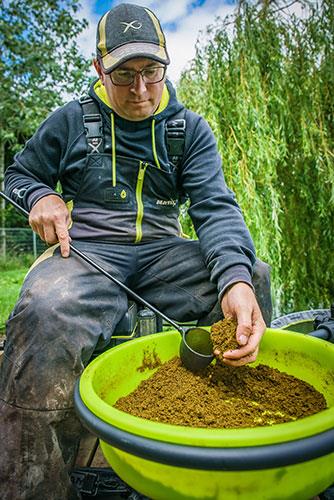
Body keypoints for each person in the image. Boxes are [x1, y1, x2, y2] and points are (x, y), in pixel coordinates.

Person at [0, 3, 272, 498]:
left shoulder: (188, 130)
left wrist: (234, 279)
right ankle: (35, 481)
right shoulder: (69, 121)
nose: (141, 90)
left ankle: (227, 435)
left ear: (166, 62)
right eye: (124, 75)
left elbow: (215, 207)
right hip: (88, 254)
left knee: (252, 274)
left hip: (165, 253)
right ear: (99, 68)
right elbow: (18, 175)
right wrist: (41, 196)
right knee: (43, 312)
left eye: (151, 71)